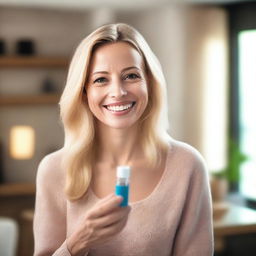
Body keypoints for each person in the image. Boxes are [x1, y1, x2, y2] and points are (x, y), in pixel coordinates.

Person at [33, 23, 213, 256]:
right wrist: (79, 241)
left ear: (149, 82)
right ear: (84, 91)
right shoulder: (53, 170)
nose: (118, 91)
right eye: (100, 79)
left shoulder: (187, 165)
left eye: (131, 76)